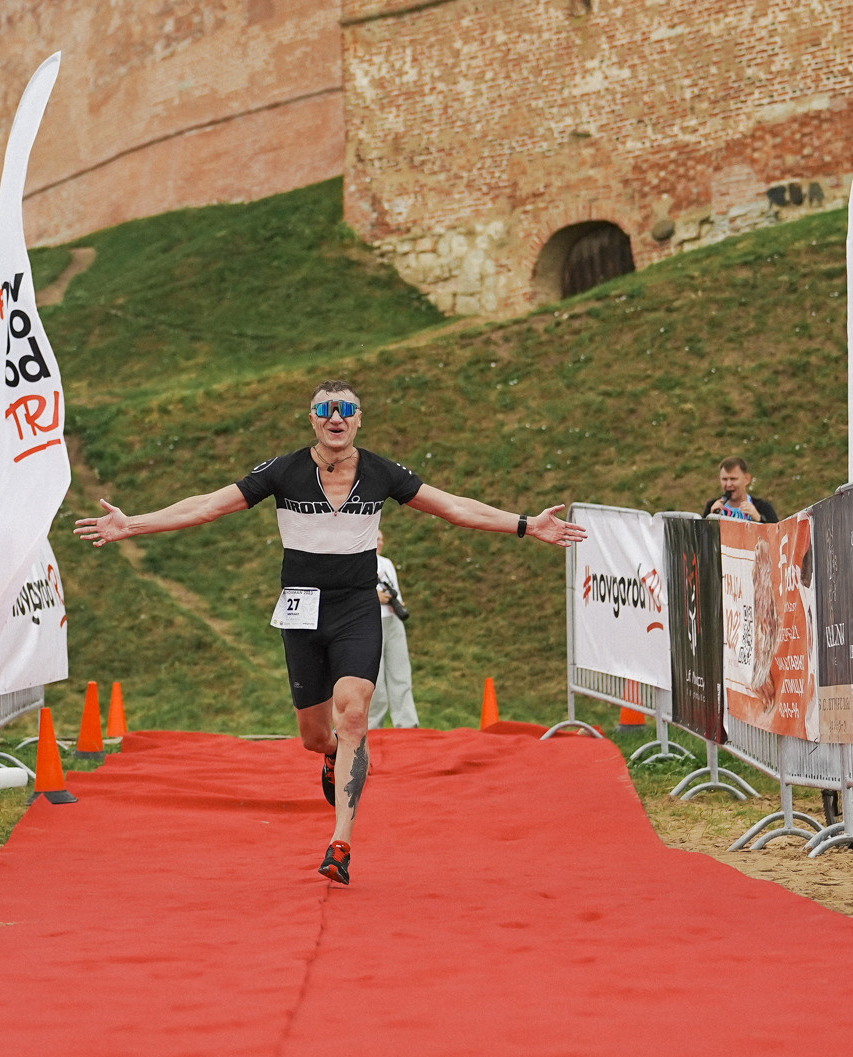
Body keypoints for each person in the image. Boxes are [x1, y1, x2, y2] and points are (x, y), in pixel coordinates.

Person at [74, 379, 584, 886]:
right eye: (325, 410)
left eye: (346, 410)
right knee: (315, 735)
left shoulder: (383, 472)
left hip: (357, 608)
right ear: (312, 418)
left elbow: (454, 507)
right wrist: (134, 524)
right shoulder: (284, 470)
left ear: (360, 419)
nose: (335, 418)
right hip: (301, 613)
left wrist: (525, 525)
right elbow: (208, 505)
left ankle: (341, 841)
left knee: (355, 712)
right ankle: (329, 755)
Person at [371, 539, 417, 730]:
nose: (380, 542)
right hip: (371, 621)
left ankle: (407, 723)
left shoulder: (387, 563)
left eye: (382, 539)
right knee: (375, 678)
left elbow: (396, 593)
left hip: (393, 621)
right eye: (376, 538)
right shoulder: (356, 564)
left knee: (401, 672)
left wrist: (398, 604)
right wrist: (374, 597)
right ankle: (372, 725)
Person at [703, 455, 779, 524]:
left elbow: (777, 536)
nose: (728, 484)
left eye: (733, 479)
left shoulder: (763, 507)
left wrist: (759, 519)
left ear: (747, 479)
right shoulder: (712, 507)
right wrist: (710, 520)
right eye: (724, 479)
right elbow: (700, 537)